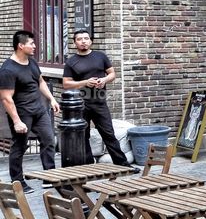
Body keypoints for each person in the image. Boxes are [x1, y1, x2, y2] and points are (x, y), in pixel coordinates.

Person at [63, 30, 134, 168]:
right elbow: (66, 84)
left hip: (99, 102)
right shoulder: (71, 62)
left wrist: (104, 80)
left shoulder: (100, 56)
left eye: (86, 38)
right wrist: (85, 82)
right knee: (83, 136)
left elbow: (112, 73)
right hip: (81, 104)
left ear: (91, 41)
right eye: (79, 39)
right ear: (74, 43)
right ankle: (89, 165)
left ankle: (123, 164)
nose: (83, 41)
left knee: (109, 133)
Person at [0, 31, 60, 193]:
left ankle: (50, 176)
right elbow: (6, 98)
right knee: (20, 146)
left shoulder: (32, 62)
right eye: (31, 43)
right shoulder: (8, 70)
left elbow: (40, 81)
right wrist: (17, 121)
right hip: (22, 113)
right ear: (21, 46)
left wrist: (52, 99)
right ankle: (17, 181)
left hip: (39, 111)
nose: (34, 46)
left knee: (48, 140)